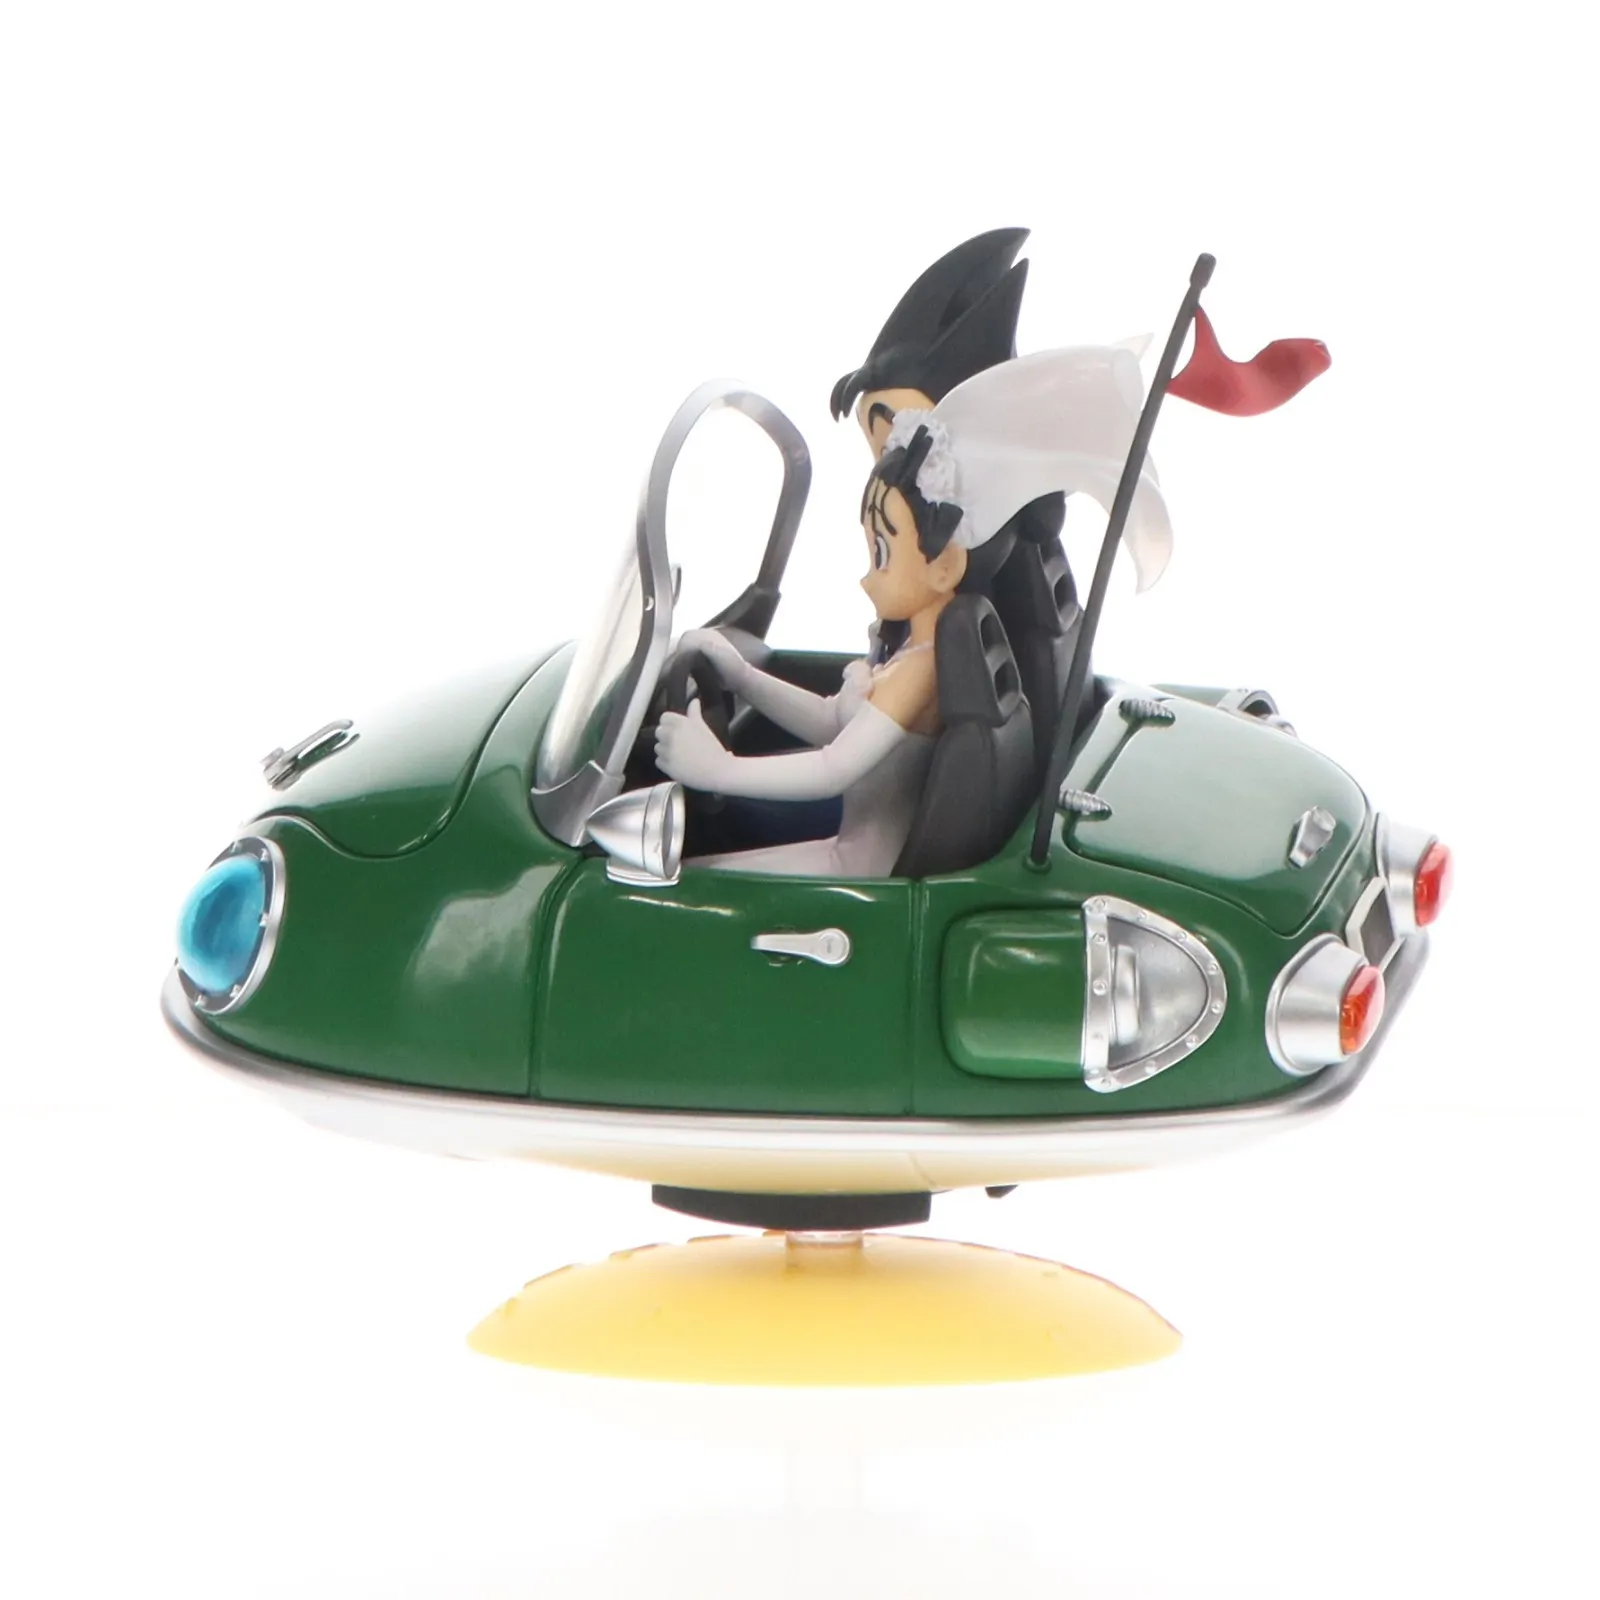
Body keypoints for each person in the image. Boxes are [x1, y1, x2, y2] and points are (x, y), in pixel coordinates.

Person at [654, 346, 1172, 878]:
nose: (866, 577)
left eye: (882, 554)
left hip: (856, 865)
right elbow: (832, 722)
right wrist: (743, 676)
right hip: (849, 849)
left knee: (687, 881)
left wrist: (716, 769)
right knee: (704, 863)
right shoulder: (916, 650)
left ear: (943, 567)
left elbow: (833, 768)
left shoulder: (923, 669)